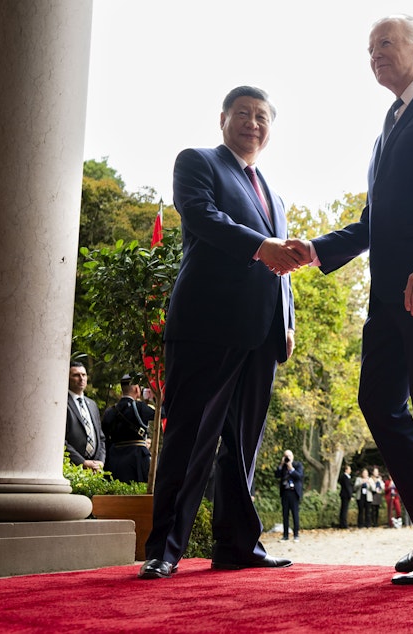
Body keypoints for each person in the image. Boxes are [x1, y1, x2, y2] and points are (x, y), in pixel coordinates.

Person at [290, 14, 413, 586]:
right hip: (388, 293)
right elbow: (374, 221)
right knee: (377, 400)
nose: (374, 54)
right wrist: (316, 249)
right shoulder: (387, 124)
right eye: (368, 48)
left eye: (384, 44)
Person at [138, 85, 301, 579]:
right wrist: (261, 246)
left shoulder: (271, 189)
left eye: (262, 117)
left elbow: (283, 266)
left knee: (242, 447)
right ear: (224, 118)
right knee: (190, 437)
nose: (254, 123)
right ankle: (164, 548)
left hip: (262, 334)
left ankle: (236, 546)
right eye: (244, 114)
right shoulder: (198, 162)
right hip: (207, 325)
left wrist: (287, 320)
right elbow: (204, 218)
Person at [101, 372, 155, 483]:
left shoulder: (110, 411)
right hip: (136, 459)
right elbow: (163, 413)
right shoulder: (140, 407)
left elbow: (105, 438)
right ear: (136, 389)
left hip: (114, 460)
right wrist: (154, 398)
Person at [65, 361, 105, 472]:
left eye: (84, 375)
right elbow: (61, 441)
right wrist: (82, 462)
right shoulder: (62, 403)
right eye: (76, 375)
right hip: (72, 467)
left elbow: (101, 438)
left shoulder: (92, 405)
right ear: (67, 378)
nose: (81, 378)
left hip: (94, 468)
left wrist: (100, 461)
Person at [275, 450, 303, 542]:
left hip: (294, 492)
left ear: (293, 456)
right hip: (285, 492)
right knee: (285, 515)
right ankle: (285, 536)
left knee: (295, 514)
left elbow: (299, 476)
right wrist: (281, 464)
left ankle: (296, 535)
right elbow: (276, 475)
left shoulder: (297, 465)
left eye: (289, 455)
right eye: (286, 456)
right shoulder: (282, 466)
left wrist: (290, 467)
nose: (288, 457)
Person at [338, 464, 354, 529]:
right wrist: (351, 496)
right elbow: (348, 487)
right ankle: (344, 524)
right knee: (344, 510)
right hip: (345, 495)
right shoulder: (345, 477)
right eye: (349, 469)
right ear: (346, 470)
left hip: (344, 494)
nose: (350, 470)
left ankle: (342, 523)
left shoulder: (345, 477)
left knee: (343, 509)